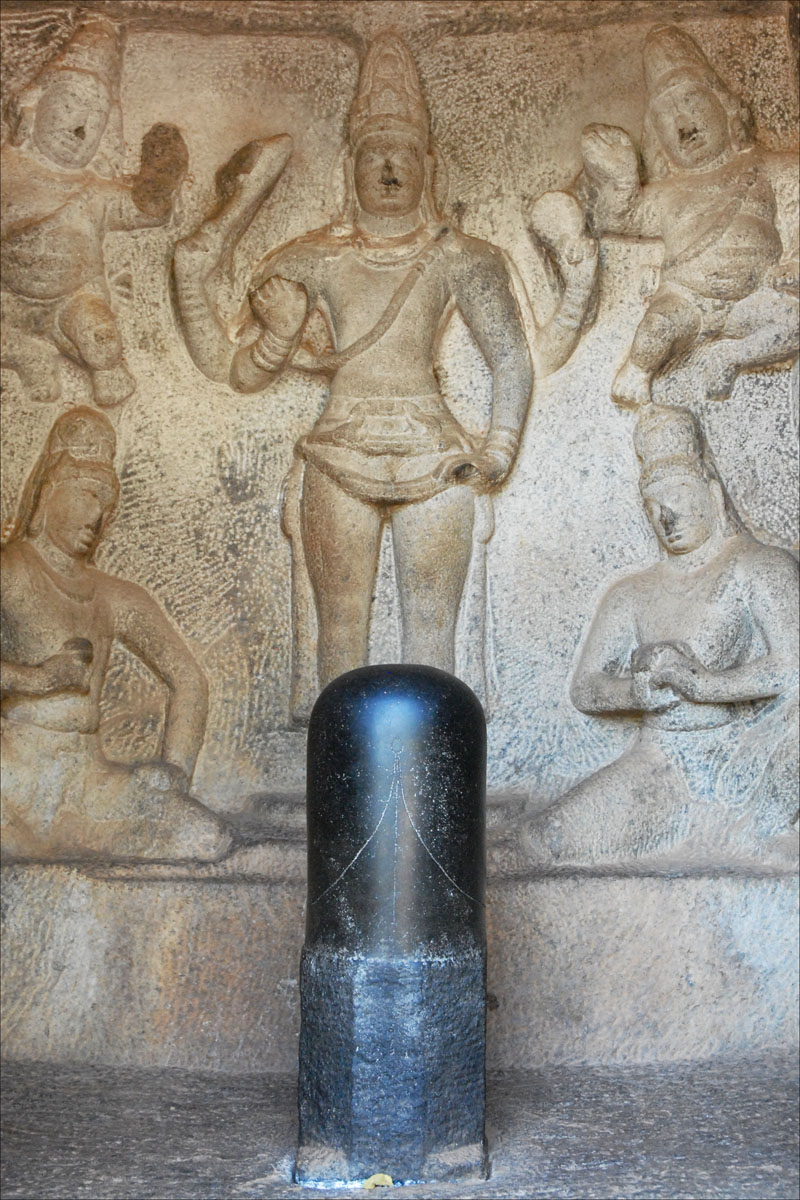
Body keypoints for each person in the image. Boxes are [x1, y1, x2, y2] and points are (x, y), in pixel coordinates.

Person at [523, 402, 799, 867]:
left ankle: (760, 834)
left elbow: (793, 665)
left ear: (712, 493)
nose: (665, 516)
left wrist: (701, 683)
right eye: (653, 506)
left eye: (678, 496)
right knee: (548, 842)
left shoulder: (757, 566)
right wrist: (639, 691)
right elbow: (586, 688)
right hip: (663, 758)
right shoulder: (631, 593)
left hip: (746, 753)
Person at [1, 407, 232, 861]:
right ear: (49, 490)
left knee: (206, 838)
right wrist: (37, 680)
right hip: (12, 769)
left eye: (108, 506)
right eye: (88, 495)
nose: (98, 516)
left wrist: (173, 772)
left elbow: (189, 680)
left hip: (86, 780)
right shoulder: (9, 569)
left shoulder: (115, 597)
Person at [575, 25, 798, 409]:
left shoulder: (767, 169)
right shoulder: (668, 194)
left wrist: (793, 262)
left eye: (692, 100)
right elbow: (619, 218)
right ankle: (637, 373)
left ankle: (729, 356)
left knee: (793, 322)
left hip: (755, 296)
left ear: (725, 105)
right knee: (654, 333)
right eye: (665, 114)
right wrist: (623, 175)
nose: (682, 120)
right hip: (686, 300)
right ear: (656, 136)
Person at [1, 15, 188, 406]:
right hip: (7, 299)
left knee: (100, 335)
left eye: (97, 117)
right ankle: (26, 354)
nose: (81, 130)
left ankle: (107, 368)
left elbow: (143, 210)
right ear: (35, 105)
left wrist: (159, 180)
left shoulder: (93, 191)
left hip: (72, 298)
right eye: (70, 105)